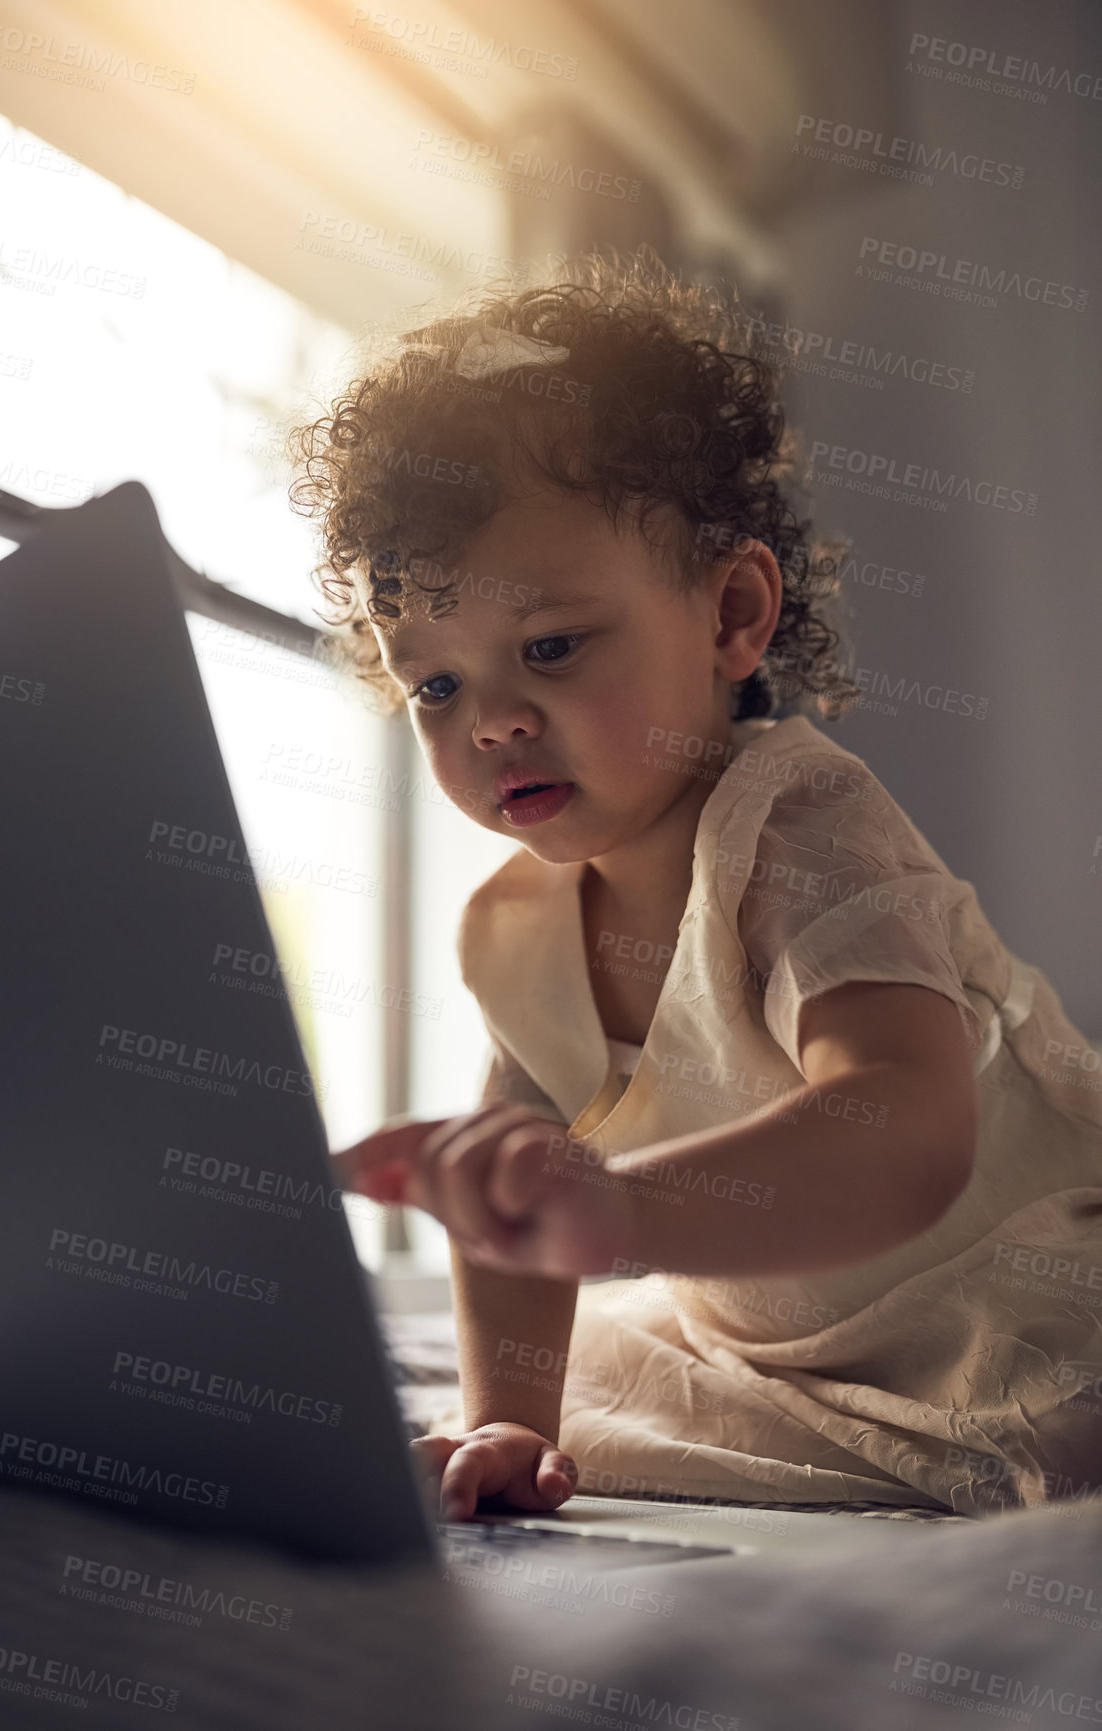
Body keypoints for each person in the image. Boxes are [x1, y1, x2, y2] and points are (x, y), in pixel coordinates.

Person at [289, 246, 1102, 1523]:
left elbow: (908, 1131)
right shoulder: (518, 929)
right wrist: (510, 1412)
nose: (491, 721)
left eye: (550, 647)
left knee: (1067, 1429)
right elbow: (514, 1196)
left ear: (733, 613)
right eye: (433, 684)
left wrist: (618, 1212)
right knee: (583, 1392)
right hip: (781, 1350)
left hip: (1004, 1296)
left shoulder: (800, 826)